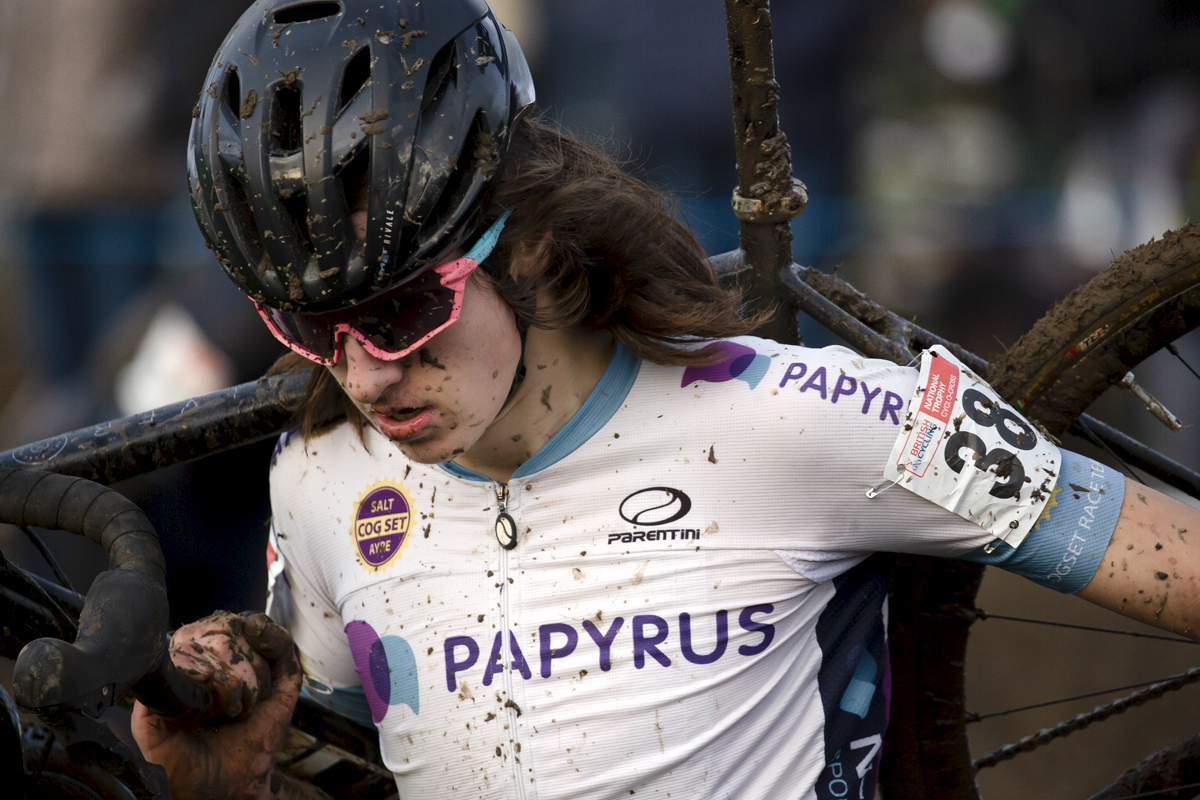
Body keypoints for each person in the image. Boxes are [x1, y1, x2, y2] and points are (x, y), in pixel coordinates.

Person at [131, 1, 1200, 798]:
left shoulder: (800, 417)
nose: (364, 372)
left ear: (531, 242)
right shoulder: (324, 479)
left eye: (408, 307)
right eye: (314, 328)